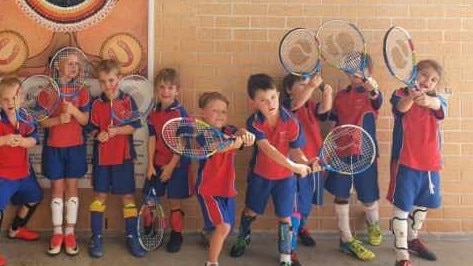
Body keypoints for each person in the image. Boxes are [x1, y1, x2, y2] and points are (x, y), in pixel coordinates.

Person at [229, 73, 320, 266]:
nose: (270, 103)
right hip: (261, 175)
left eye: (272, 97)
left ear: (278, 95)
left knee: (285, 216)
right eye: (263, 100)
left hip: (285, 178)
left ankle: (285, 255)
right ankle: (243, 238)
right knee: (251, 211)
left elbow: (296, 151)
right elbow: (267, 149)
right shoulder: (253, 122)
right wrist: (295, 166)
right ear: (253, 102)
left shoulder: (292, 121)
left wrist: (307, 162)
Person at [388, 59, 447, 266]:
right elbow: (400, 108)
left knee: (423, 204)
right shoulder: (400, 94)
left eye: (433, 79)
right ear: (413, 73)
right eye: (423, 75)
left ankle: (413, 238)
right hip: (406, 162)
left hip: (431, 164)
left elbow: (438, 106)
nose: (427, 81)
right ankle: (401, 254)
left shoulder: (438, 100)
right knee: (402, 206)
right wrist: (412, 98)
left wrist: (428, 100)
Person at [324, 54, 383, 261]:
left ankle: (374, 225)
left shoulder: (371, 93)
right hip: (341, 154)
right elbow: (329, 119)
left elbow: (378, 100)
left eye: (361, 69)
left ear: (369, 72)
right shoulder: (340, 96)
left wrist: (373, 89)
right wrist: (325, 97)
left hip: (366, 154)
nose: (356, 73)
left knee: (368, 196)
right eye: (351, 69)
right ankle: (345, 238)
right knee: (341, 195)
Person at [87, 59, 145, 258]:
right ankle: (96, 237)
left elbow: (134, 126)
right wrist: (99, 135)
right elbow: (90, 128)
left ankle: (132, 236)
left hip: (123, 158)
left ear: (119, 78)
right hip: (102, 159)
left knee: (128, 198)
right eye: (103, 82)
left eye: (111, 80)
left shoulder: (128, 100)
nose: (107, 85)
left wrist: (117, 130)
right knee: (99, 198)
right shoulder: (95, 103)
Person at [196, 92, 255, 266]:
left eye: (223, 111)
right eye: (215, 110)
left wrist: (245, 134)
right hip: (209, 191)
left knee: (224, 228)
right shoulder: (202, 133)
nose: (220, 115)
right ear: (203, 113)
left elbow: (239, 131)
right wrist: (232, 143)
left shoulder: (228, 129)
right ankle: (212, 262)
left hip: (227, 189)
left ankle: (208, 233)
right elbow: (215, 147)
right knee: (224, 227)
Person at [41, 49, 90, 256]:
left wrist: (73, 111)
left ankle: (70, 233)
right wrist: (57, 120)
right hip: (54, 148)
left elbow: (85, 120)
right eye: (69, 63)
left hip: (75, 147)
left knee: (72, 189)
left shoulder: (83, 91)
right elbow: (42, 121)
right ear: (57, 66)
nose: (73, 67)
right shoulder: (47, 91)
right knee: (57, 190)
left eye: (76, 64)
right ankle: (57, 233)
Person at [282, 74, 333, 265]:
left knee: (306, 202)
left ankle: (301, 228)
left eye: (308, 84)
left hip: (315, 161)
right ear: (288, 89)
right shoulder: (286, 105)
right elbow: (296, 103)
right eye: (301, 85)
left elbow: (324, 111)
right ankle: (290, 247)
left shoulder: (310, 105)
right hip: (295, 162)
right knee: (294, 206)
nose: (307, 88)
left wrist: (327, 93)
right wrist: (312, 85)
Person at [145, 68, 193, 253]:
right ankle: (151, 229)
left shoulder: (181, 113)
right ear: (157, 89)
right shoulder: (154, 112)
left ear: (177, 90)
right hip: (157, 163)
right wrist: (150, 164)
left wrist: (171, 167)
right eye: (162, 87)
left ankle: (176, 234)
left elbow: (183, 141)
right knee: (150, 199)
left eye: (170, 87)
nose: (166, 91)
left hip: (177, 165)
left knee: (174, 201)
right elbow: (151, 138)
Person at [0, 77, 43, 266]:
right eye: (5, 100)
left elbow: (34, 139)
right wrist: (4, 140)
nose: (10, 103)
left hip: (24, 173)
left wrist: (24, 142)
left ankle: (15, 229)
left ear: (22, 98)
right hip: (3, 176)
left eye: (14, 98)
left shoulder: (27, 116)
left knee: (35, 198)